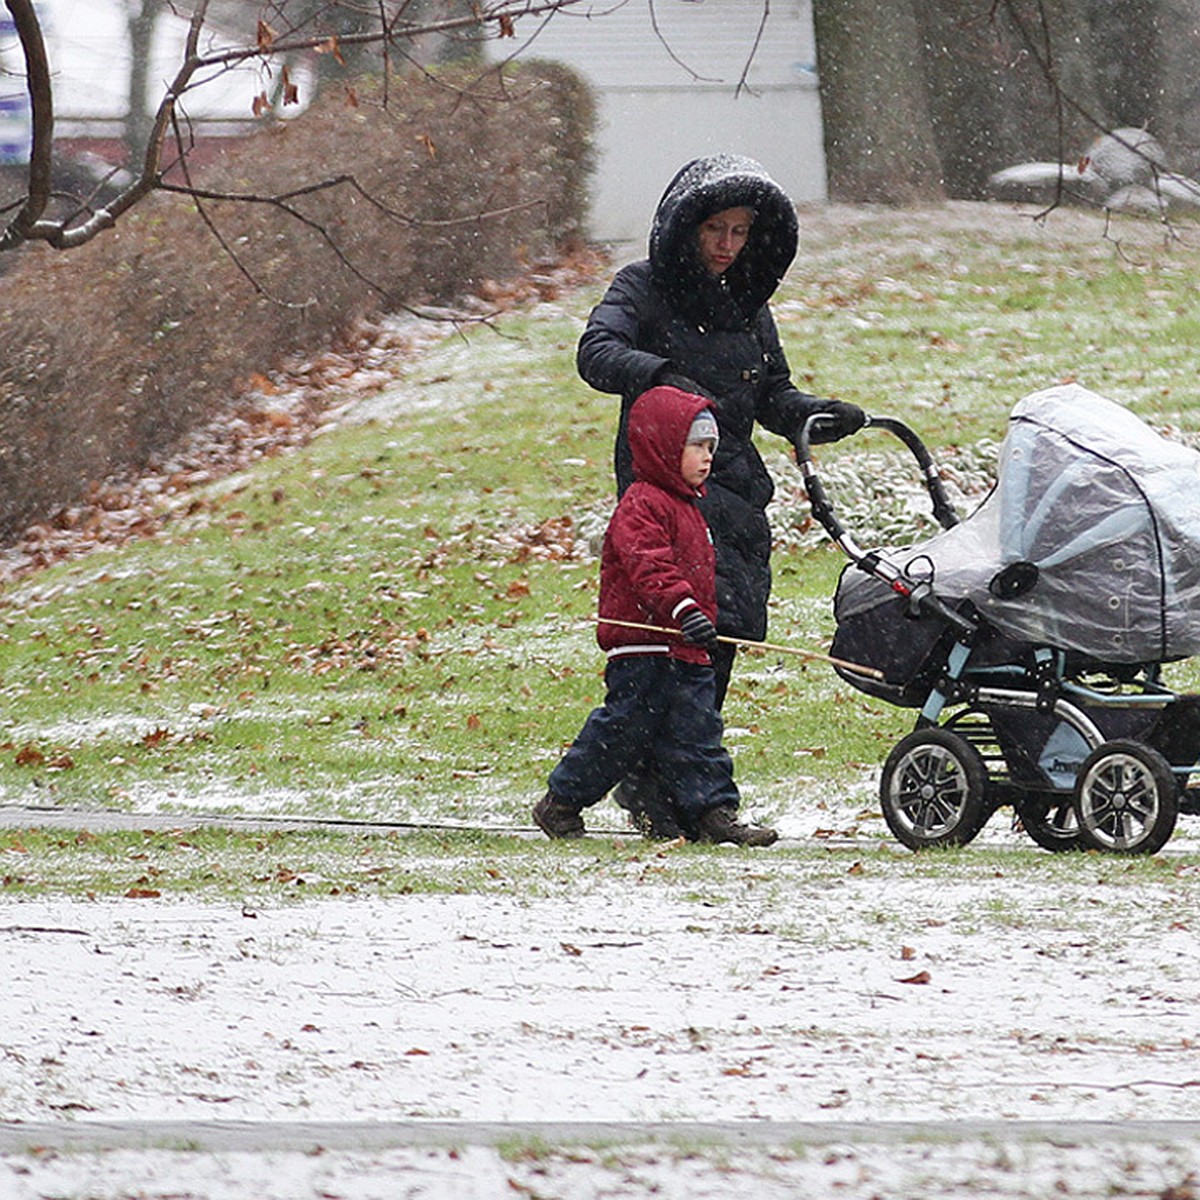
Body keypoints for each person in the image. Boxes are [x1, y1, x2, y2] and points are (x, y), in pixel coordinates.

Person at [576, 153, 865, 836]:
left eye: (740, 231)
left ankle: (677, 789)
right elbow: (596, 352)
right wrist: (660, 376)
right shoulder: (642, 289)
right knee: (664, 653)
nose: (727, 245)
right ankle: (677, 793)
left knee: (715, 644)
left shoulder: (748, 307)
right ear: (685, 226)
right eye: (714, 228)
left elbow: (770, 394)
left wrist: (814, 415)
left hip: (733, 494)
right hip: (661, 491)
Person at [532, 384, 778, 847]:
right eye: (697, 446)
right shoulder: (642, 505)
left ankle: (712, 811)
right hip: (645, 646)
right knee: (622, 731)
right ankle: (561, 802)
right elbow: (651, 567)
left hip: (685, 645)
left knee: (698, 731)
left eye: (711, 447)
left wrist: (703, 619)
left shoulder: (690, 506)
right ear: (664, 446)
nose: (707, 457)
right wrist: (685, 609)